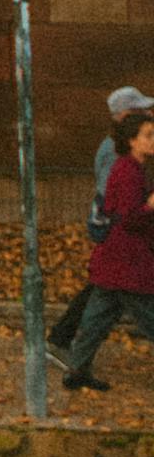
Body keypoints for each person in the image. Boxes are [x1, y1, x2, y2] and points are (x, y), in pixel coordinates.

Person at [52, 92, 154, 393]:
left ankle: (77, 371)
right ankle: (77, 369)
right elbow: (128, 216)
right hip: (128, 261)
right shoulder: (128, 170)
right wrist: (150, 206)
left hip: (114, 259)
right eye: (148, 135)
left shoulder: (130, 168)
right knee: (148, 316)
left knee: (97, 317)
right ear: (132, 140)